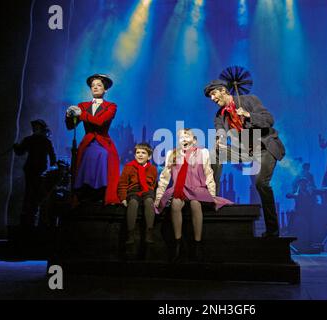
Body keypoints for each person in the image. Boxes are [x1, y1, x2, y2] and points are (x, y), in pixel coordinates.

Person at [203, 79, 285, 238]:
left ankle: (272, 230)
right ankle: (212, 197)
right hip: (245, 150)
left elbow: (269, 120)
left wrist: (248, 115)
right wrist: (220, 139)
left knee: (261, 184)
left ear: (223, 90)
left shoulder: (249, 100)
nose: (213, 99)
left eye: (214, 94)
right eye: (210, 97)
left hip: (264, 147)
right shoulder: (219, 115)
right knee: (215, 153)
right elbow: (220, 130)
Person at [154, 129, 232, 262]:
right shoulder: (172, 154)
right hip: (179, 189)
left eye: (187, 136)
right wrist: (158, 196)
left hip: (197, 189)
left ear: (194, 140)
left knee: (196, 204)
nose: (183, 139)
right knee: (175, 204)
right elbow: (164, 177)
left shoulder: (202, 153)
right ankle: (177, 244)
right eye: (180, 137)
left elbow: (208, 174)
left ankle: (197, 244)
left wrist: (212, 195)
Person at [65, 74, 120, 205]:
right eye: (93, 86)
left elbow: (100, 121)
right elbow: (70, 126)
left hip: (103, 141)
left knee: (102, 154)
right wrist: (69, 115)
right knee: (87, 154)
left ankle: (100, 191)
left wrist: (81, 114)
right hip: (88, 140)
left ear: (105, 89)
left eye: (99, 85)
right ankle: (84, 191)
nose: (95, 87)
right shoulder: (82, 106)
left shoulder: (111, 106)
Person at [13, 119, 56, 226]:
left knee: (35, 193)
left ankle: (32, 217)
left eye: (37, 127)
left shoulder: (39, 141)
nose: (35, 129)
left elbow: (52, 157)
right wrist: (16, 148)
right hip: (33, 170)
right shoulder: (32, 140)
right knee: (31, 193)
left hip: (39, 171)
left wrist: (17, 147)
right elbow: (20, 151)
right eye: (34, 127)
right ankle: (29, 218)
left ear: (41, 129)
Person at [118, 143, 158, 248]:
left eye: (143, 153)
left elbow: (154, 184)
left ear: (149, 156)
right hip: (133, 191)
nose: (140, 155)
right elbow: (122, 184)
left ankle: (149, 231)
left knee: (149, 201)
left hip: (147, 191)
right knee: (133, 203)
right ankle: (130, 233)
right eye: (138, 153)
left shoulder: (152, 168)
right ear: (135, 155)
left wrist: (154, 196)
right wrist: (123, 198)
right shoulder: (129, 167)